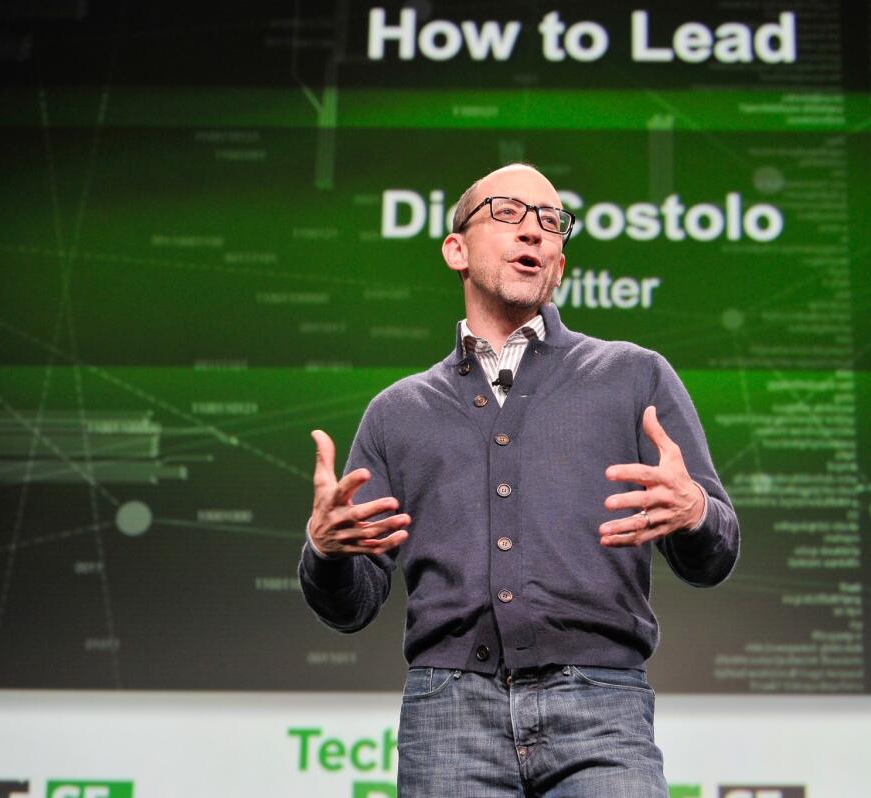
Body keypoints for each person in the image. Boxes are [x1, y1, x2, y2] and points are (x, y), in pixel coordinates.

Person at [299, 162, 739, 796]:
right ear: (457, 249)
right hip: (448, 718)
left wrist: (696, 509)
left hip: (603, 711)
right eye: (507, 213)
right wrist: (326, 551)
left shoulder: (634, 378)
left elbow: (714, 557)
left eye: (551, 222)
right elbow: (352, 606)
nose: (533, 232)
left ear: (559, 259)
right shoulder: (397, 413)